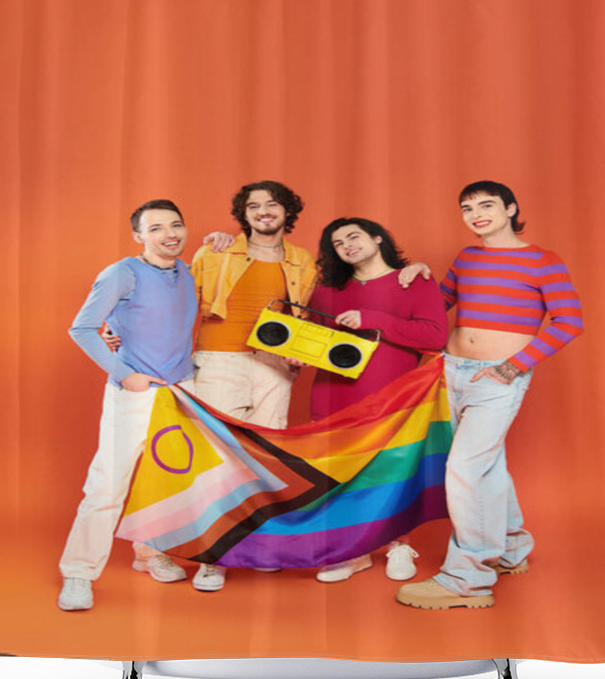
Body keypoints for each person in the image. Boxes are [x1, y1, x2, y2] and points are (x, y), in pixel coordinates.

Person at [395, 181, 584, 609]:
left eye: (486, 205)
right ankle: (513, 548)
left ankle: (467, 579)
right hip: (451, 370)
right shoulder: (467, 258)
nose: (476, 213)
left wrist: (515, 364)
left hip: (497, 379)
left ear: (510, 208)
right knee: (487, 467)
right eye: (467, 207)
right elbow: (438, 306)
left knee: (464, 469)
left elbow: (569, 322)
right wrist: (420, 274)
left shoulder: (543, 261)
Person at [58, 200, 198, 611]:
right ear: (139, 236)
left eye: (175, 225)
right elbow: (82, 328)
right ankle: (79, 573)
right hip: (135, 392)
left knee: (167, 480)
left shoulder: (187, 272)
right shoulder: (122, 272)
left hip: (181, 391)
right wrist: (124, 373)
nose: (169, 234)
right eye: (155, 228)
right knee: (107, 485)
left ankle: (149, 551)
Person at [187, 181, 317, 592]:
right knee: (219, 458)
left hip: (273, 366)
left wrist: (298, 353)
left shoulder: (302, 260)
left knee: (265, 460)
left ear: (287, 211)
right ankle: (213, 555)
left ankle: (260, 546)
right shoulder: (216, 250)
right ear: (243, 215)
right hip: (219, 358)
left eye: (272, 204)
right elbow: (179, 299)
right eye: (253, 206)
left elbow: (305, 317)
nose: (263, 211)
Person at [307, 218, 449, 582]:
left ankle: (399, 545)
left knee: (392, 472)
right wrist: (298, 352)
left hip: (393, 395)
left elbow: (434, 337)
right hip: (333, 396)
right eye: (337, 243)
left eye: (353, 236)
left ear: (377, 237)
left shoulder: (413, 280)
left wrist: (371, 319)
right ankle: (352, 552)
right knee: (338, 476)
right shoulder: (325, 291)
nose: (347, 245)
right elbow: (314, 341)